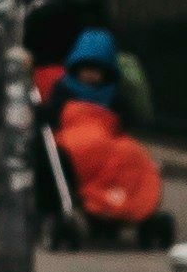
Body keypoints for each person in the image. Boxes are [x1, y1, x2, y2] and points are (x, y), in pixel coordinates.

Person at [41, 36, 175, 245]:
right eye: (86, 70)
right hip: (77, 135)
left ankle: (131, 201)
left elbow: (122, 120)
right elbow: (54, 115)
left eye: (96, 71)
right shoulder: (64, 90)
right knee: (73, 153)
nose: (90, 75)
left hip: (108, 137)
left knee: (132, 154)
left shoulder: (113, 94)